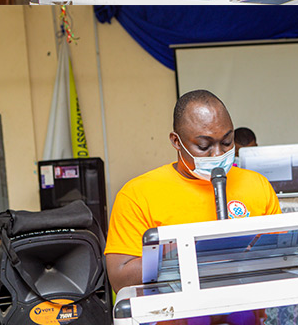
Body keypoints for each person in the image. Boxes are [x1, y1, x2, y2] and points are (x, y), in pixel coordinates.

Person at [104, 89, 280, 293]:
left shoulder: (258, 185)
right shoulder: (137, 194)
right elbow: (120, 281)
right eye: (204, 146)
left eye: (226, 142)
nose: (218, 154)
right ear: (176, 142)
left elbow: (287, 258)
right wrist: (191, 250)